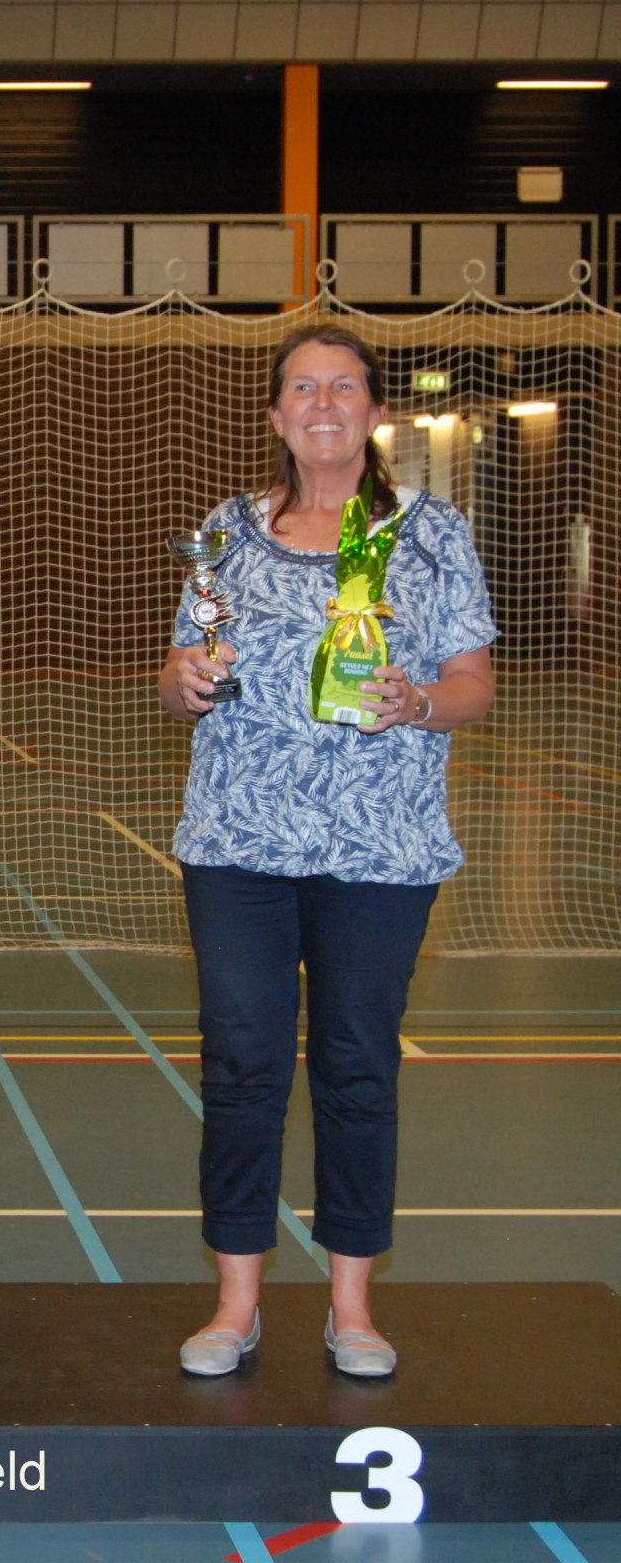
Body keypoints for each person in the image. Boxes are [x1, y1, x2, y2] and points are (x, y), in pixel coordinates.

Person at [159, 323, 497, 1378]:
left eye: (342, 386)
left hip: (379, 850)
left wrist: (418, 701)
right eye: (301, 387)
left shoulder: (428, 534)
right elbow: (178, 664)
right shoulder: (225, 530)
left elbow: (474, 684)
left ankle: (352, 1308)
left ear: (374, 411)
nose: (321, 403)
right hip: (238, 841)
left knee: (356, 1066)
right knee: (242, 1062)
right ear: (275, 415)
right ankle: (236, 1304)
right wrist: (182, 683)